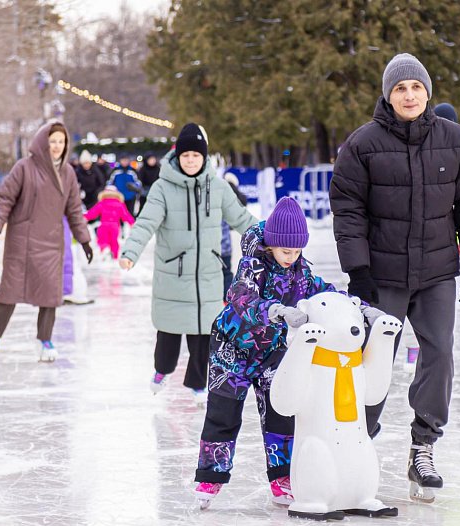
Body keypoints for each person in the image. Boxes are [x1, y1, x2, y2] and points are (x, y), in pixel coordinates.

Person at [330, 52, 460, 502]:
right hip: (383, 274)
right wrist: (358, 269)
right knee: (375, 358)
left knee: (439, 353)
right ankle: (358, 440)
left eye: (416, 87)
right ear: (388, 95)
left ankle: (423, 446)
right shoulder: (363, 144)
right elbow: (348, 209)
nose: (409, 95)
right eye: (400, 88)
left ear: (427, 92)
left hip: (437, 271)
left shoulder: (454, 140)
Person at [192, 197, 386, 506]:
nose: (291, 257)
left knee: (280, 414)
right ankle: (210, 477)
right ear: (271, 243)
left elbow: (328, 294)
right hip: (232, 351)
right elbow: (240, 297)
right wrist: (277, 311)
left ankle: (283, 477)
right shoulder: (252, 265)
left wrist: (361, 309)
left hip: (271, 353)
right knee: (223, 413)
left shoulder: (300, 272)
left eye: (297, 251)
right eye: (285, 251)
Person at [120, 123, 258, 404]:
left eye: (196, 155)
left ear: (204, 157)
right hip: (173, 273)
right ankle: (162, 370)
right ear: (178, 157)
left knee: (204, 336)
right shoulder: (162, 188)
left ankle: (197, 384)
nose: (191, 160)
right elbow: (145, 222)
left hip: (208, 273)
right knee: (168, 336)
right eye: (186, 155)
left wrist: (272, 236)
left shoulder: (218, 187)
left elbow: (241, 218)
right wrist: (130, 252)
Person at [0, 122, 95, 362]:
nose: (57, 146)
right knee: (9, 292)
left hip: (50, 242)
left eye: (61, 142)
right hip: (22, 242)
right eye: (53, 141)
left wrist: (84, 240)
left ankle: (45, 340)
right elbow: (5, 199)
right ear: (43, 142)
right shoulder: (24, 167)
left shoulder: (67, 173)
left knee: (50, 295)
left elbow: (74, 210)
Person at [84, 186, 135, 260]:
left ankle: (104, 251)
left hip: (104, 225)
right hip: (115, 226)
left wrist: (84, 217)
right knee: (114, 242)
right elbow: (126, 215)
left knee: (103, 240)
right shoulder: (119, 204)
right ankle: (114, 256)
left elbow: (92, 213)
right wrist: (132, 223)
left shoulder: (101, 203)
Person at [219, 172, 248, 296]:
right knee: (226, 273)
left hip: (216, 247)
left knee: (220, 273)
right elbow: (242, 202)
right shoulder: (226, 194)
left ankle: (225, 297)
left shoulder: (218, 194)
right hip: (224, 246)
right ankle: (227, 297)